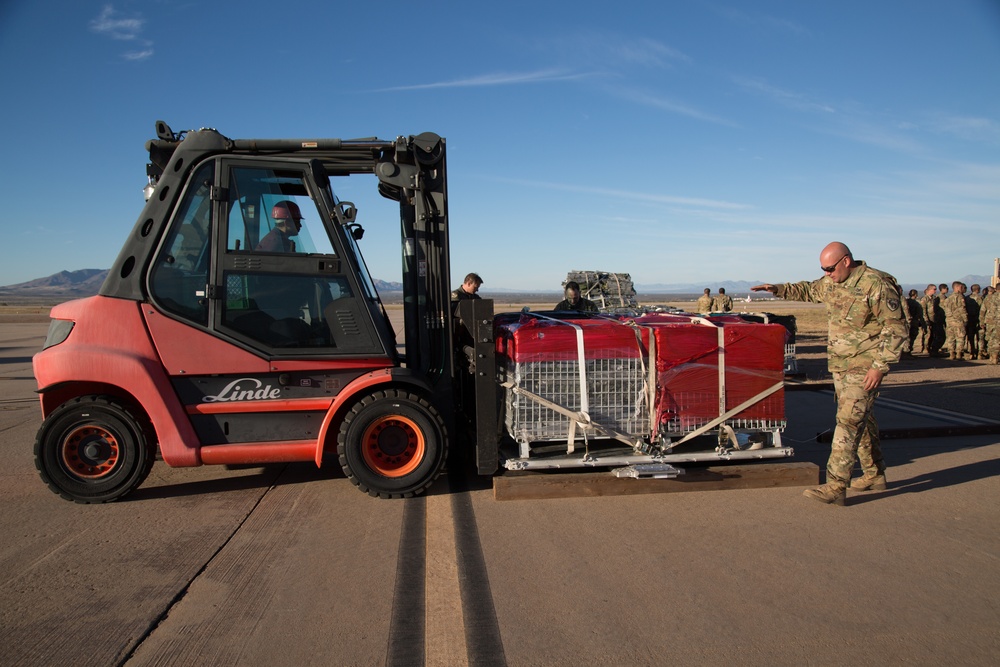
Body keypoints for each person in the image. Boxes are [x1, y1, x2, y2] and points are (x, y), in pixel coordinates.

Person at [751, 242, 906, 505]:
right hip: (841, 365)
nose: (827, 274)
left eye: (830, 268)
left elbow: (896, 329)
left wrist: (879, 367)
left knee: (847, 423)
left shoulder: (875, 284)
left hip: (865, 366)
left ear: (846, 261)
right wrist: (776, 288)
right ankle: (874, 474)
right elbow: (808, 290)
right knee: (861, 420)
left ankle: (835, 486)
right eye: (823, 269)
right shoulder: (832, 281)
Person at [942, 281, 968, 360]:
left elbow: (945, 309)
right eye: (960, 287)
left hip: (949, 321)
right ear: (956, 287)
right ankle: (959, 354)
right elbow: (962, 309)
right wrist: (965, 319)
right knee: (960, 337)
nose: (961, 288)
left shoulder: (948, 298)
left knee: (951, 338)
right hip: (958, 321)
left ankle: (951, 353)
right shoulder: (960, 297)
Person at [921, 284, 943, 356]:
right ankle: (925, 348)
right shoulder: (925, 299)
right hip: (928, 320)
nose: (935, 291)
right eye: (934, 289)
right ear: (929, 290)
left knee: (935, 335)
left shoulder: (934, 298)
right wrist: (926, 320)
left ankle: (932, 349)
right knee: (928, 335)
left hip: (934, 319)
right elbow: (923, 311)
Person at [905, 289, 925, 355]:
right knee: (912, 336)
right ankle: (908, 351)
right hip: (914, 322)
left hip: (905, 322)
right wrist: (922, 323)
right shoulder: (916, 304)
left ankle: (905, 351)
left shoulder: (906, 302)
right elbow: (920, 314)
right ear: (916, 295)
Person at [967, 284, 983, 360]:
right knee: (979, 338)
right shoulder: (980, 298)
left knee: (971, 337)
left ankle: (971, 352)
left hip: (969, 320)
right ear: (977, 289)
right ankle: (980, 353)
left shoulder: (967, 298)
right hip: (978, 320)